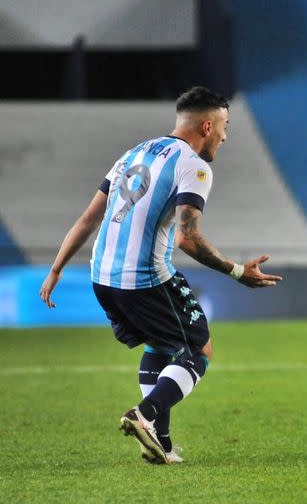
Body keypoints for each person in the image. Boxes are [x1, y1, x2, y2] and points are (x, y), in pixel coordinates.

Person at [39, 86, 282, 464]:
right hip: (144, 278)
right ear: (207, 125)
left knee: (162, 342)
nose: (225, 136)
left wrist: (55, 269)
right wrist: (237, 272)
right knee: (199, 348)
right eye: (224, 126)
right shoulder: (194, 165)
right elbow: (188, 237)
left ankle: (162, 444)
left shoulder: (133, 153)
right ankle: (145, 415)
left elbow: (90, 217)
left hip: (102, 277)